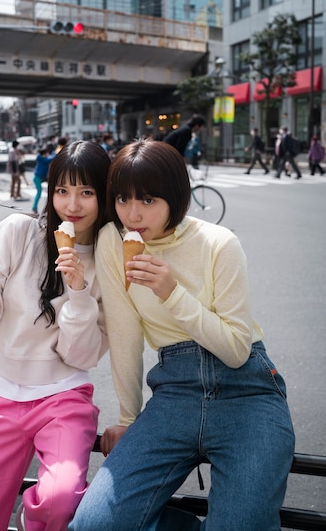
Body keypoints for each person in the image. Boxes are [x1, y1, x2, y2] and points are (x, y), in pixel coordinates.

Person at [69, 140, 295, 531]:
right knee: (93, 525)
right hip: (174, 392)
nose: (133, 213)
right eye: (122, 199)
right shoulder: (113, 239)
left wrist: (172, 293)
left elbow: (237, 349)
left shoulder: (218, 243)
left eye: (148, 200)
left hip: (249, 395)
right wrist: (127, 417)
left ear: (176, 196)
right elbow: (125, 335)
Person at [0, 140, 111, 531]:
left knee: (59, 502)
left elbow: (82, 356)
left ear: (104, 195)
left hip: (63, 396)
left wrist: (78, 292)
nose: (71, 205)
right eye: (62, 191)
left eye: (86, 192)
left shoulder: (108, 258)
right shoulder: (21, 231)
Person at [32, 147, 55, 214]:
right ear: (45, 153)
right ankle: (34, 207)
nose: (48, 154)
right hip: (38, 178)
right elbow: (51, 158)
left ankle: (36, 207)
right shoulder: (44, 159)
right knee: (39, 193)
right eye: (47, 153)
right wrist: (54, 152)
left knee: (41, 192)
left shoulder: (40, 158)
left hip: (39, 178)